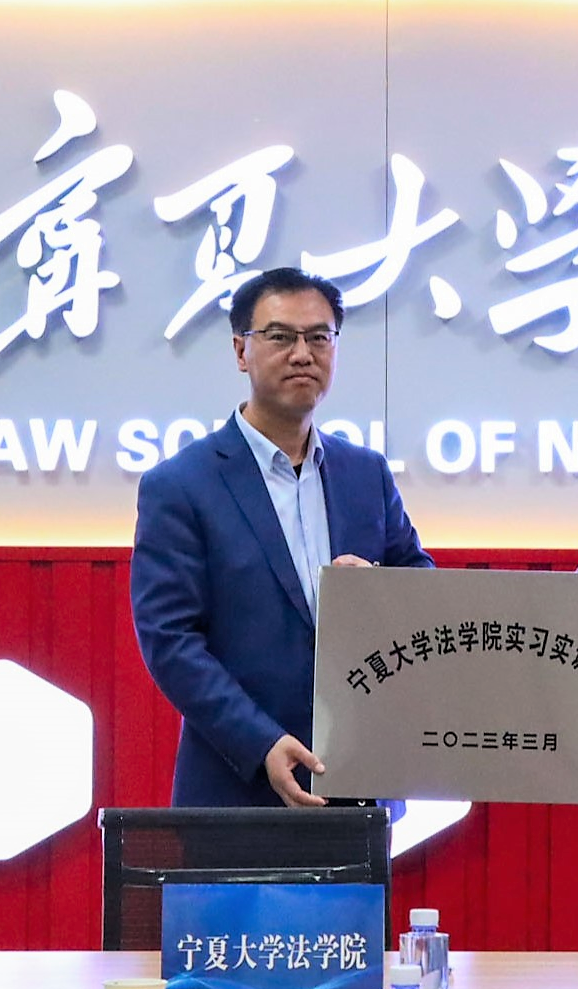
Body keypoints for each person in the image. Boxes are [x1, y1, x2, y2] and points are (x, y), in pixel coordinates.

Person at [131, 267, 433, 808]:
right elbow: (169, 639)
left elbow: (422, 590)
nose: (302, 354)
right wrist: (260, 742)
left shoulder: (366, 474)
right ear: (240, 350)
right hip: (236, 786)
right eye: (280, 337)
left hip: (359, 782)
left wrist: (378, 589)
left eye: (319, 337)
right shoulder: (181, 485)